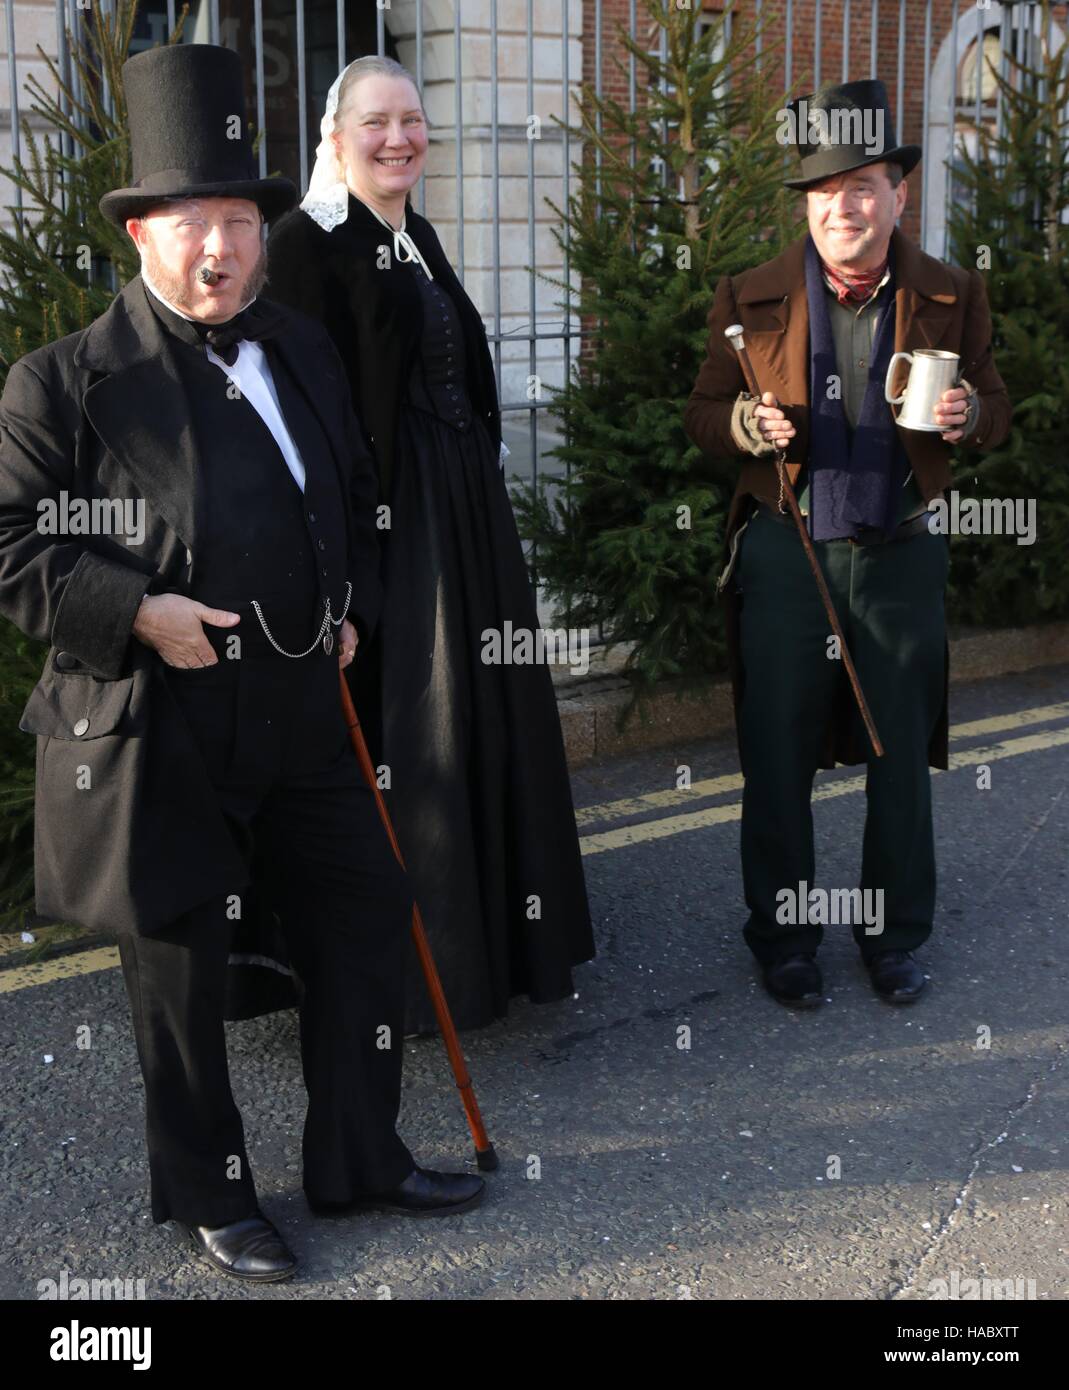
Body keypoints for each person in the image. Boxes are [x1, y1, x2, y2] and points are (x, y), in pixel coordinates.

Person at [0, 43, 484, 1284]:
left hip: (302, 699)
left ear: (263, 232)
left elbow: (360, 488)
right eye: (189, 224)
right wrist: (138, 609)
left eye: (237, 221)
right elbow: (10, 548)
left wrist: (352, 604)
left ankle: (360, 1156)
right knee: (181, 965)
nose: (218, 249)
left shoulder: (297, 346)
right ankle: (214, 1193)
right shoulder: (59, 386)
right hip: (157, 717)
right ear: (142, 237)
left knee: (364, 911)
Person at [264, 55, 595, 1034]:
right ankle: (412, 973)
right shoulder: (303, 245)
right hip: (395, 531)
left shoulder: (418, 236)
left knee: (483, 722)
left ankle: (489, 946)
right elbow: (310, 419)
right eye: (375, 122)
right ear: (334, 137)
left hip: (464, 521)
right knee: (420, 733)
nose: (399, 137)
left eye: (412, 119)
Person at [683, 80, 1011, 1008]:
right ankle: (784, 938)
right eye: (824, 192)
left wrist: (968, 414)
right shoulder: (748, 299)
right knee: (776, 754)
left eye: (862, 185)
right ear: (806, 204)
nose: (843, 207)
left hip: (900, 547)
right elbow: (702, 415)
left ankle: (893, 935)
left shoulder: (954, 292)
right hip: (787, 552)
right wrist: (746, 424)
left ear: (897, 194)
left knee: (898, 752)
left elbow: (997, 409)